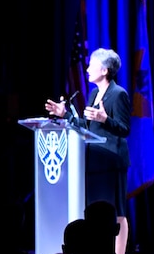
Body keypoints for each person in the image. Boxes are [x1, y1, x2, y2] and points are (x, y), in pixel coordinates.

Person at [44, 47, 131, 229]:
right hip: (95, 161)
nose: (87, 69)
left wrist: (105, 119)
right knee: (96, 211)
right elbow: (87, 127)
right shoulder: (93, 94)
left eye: (92, 65)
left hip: (113, 161)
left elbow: (125, 129)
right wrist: (65, 114)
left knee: (117, 213)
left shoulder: (118, 94)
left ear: (104, 70)